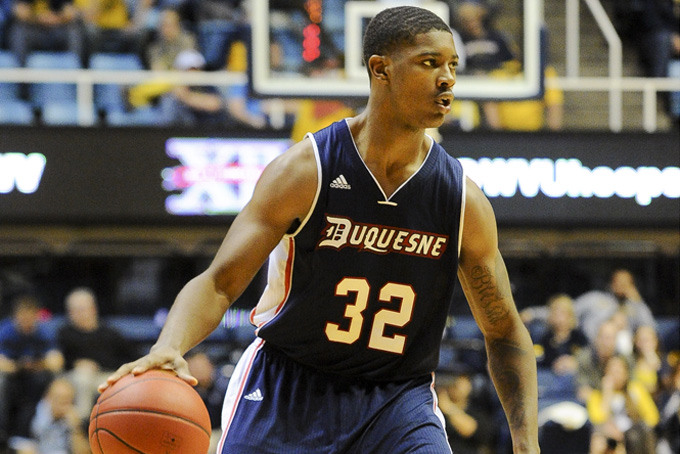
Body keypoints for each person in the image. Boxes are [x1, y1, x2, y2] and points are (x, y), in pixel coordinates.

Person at [101, 6, 539, 454]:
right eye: (430, 63)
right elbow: (218, 283)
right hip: (287, 386)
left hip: (396, 400)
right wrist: (169, 345)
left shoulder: (461, 200)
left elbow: (504, 331)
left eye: (452, 66)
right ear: (380, 69)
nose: (447, 78)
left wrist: (527, 446)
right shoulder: (307, 170)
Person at [56, 287, 137, 420]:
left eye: (81, 309)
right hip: (75, 377)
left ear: (93, 309)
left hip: (106, 374)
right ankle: (84, 424)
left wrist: (98, 365)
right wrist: (76, 364)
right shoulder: (64, 333)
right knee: (83, 378)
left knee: (123, 384)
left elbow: (131, 358)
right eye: (73, 311)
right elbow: (60, 361)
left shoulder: (110, 333)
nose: (78, 314)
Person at [521, 268, 656, 344]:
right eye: (618, 281)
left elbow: (651, 328)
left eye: (626, 283)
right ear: (611, 283)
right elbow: (566, 310)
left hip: (621, 359)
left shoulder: (636, 307)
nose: (621, 286)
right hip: (591, 349)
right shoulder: (595, 298)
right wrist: (533, 313)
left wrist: (637, 300)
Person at [0, 294, 63, 441]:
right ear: (15, 316)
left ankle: (51, 434)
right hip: (13, 376)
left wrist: (36, 364)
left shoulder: (44, 331)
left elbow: (57, 361)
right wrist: (19, 365)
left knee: (56, 379)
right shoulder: (6, 330)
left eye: (29, 316)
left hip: (37, 377)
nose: (26, 321)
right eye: (22, 317)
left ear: (36, 316)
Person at [586, 354, 659, 454]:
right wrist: (607, 395)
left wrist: (627, 432)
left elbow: (652, 417)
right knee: (597, 438)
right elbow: (597, 420)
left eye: (619, 370)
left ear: (626, 373)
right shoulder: (597, 395)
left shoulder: (636, 389)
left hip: (634, 437)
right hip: (610, 439)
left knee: (637, 435)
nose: (615, 374)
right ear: (605, 373)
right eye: (611, 370)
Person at [435, 368, 496, 454]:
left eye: (461, 379)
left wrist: (448, 407)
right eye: (453, 378)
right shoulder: (436, 411)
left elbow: (470, 430)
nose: (456, 383)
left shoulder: (478, 410)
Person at [8, 0, 84, 65]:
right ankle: (21, 76)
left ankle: (77, 74)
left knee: (74, 31)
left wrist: (55, 18)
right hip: (34, 29)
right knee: (19, 31)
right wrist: (38, 18)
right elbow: (20, 11)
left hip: (58, 28)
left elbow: (70, 12)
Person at [28, 377, 90, 454]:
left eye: (67, 399)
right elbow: (20, 444)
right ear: (47, 397)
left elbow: (83, 452)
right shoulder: (32, 414)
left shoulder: (77, 420)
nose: (62, 402)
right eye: (58, 398)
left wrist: (75, 428)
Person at [535, 293, 588, 376]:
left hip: (573, 376)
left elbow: (588, 357)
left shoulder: (578, 336)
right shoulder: (545, 338)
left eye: (562, 313)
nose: (559, 317)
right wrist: (555, 365)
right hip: (551, 375)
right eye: (555, 313)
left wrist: (574, 361)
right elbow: (539, 361)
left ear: (570, 315)